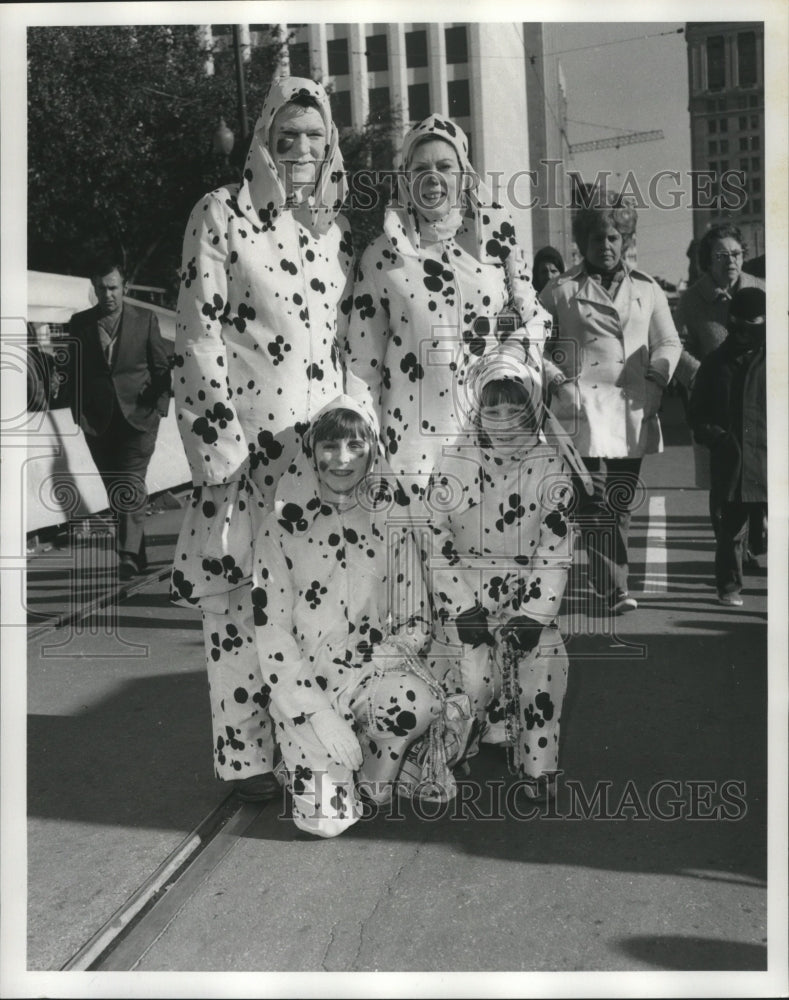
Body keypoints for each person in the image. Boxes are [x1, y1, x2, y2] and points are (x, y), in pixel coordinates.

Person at [170, 78, 355, 802]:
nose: (302, 147)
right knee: (235, 610)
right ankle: (243, 759)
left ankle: (304, 748)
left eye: (315, 134)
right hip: (246, 457)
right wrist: (219, 454)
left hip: (320, 464)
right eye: (288, 134)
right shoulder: (221, 214)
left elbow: (343, 349)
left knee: (306, 611)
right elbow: (196, 334)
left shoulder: (332, 234)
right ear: (263, 141)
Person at [252, 389, 444, 837]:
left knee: (416, 702)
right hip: (305, 686)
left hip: (369, 675)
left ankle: (376, 778)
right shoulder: (280, 526)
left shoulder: (387, 517)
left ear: (371, 451)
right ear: (312, 451)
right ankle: (316, 757)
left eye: (355, 445)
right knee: (327, 825)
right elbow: (273, 633)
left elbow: (415, 616)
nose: (342, 458)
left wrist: (389, 657)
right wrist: (318, 712)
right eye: (330, 445)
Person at [346, 113, 549, 497]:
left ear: (464, 174)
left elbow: (535, 317)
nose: (432, 178)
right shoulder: (381, 256)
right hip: (412, 453)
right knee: (416, 555)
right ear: (405, 178)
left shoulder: (496, 241)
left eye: (444, 166)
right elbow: (362, 364)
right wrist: (365, 447)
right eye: (420, 168)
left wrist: (510, 362)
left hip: (494, 441)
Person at [425, 349, 579, 800]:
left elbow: (555, 549)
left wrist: (533, 615)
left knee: (544, 666)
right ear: (477, 411)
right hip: (468, 595)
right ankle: (458, 745)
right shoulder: (453, 462)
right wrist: (460, 606)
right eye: (493, 410)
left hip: (524, 597)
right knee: (468, 676)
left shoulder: (550, 467)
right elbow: (437, 541)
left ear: (532, 409)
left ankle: (538, 764)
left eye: (515, 410)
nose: (504, 420)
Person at [539, 197, 682, 614]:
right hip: (581, 411)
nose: (605, 244)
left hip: (631, 408)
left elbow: (669, 341)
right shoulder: (561, 289)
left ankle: (611, 581)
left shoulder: (648, 288)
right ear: (583, 242)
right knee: (593, 498)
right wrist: (557, 380)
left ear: (625, 240)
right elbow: (534, 341)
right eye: (596, 237)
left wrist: (658, 375)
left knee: (619, 501)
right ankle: (614, 588)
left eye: (614, 236)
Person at [66, 259, 171, 579]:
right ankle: (137, 554)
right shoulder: (79, 324)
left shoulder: (145, 320)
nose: (108, 294)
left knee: (131, 483)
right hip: (98, 421)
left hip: (139, 418)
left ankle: (126, 554)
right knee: (116, 490)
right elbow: (73, 371)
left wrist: (158, 403)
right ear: (94, 289)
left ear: (124, 287)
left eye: (113, 287)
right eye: (101, 288)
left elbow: (161, 367)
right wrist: (78, 411)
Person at [672, 223, 765, 541]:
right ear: (707, 261)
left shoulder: (761, 289)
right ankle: (728, 552)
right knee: (722, 480)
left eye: (736, 254)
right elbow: (676, 347)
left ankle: (756, 541)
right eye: (721, 255)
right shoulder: (692, 300)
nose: (731, 261)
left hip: (758, 401)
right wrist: (702, 375)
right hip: (715, 403)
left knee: (759, 472)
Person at [687, 287, 766, 607]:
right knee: (730, 529)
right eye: (739, 326)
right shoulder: (716, 363)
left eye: (753, 326)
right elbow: (697, 414)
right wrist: (718, 438)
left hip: (769, 458)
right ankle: (729, 585)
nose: (744, 334)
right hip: (731, 459)